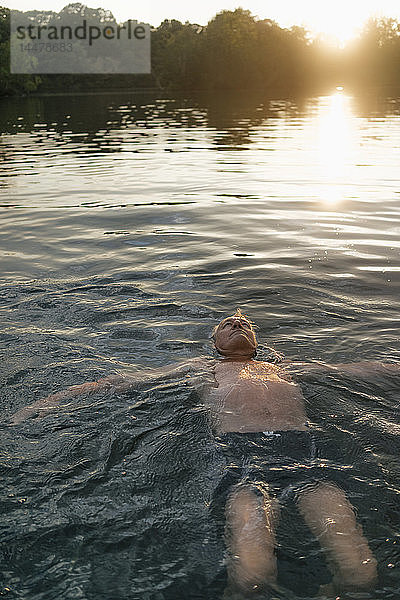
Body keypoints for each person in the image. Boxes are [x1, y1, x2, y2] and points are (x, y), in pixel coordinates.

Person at [12, 309, 395, 596]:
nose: (238, 323)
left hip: (309, 461)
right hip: (246, 462)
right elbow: (119, 382)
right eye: (228, 323)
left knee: (360, 572)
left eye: (245, 323)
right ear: (214, 342)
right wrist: (46, 405)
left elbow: (362, 370)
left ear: (257, 341)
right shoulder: (201, 368)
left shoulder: (286, 368)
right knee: (253, 576)